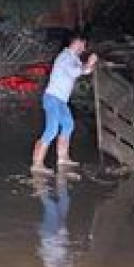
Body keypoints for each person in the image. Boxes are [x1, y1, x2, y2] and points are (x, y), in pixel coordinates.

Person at [32, 35, 98, 173]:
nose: (84, 48)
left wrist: (91, 65)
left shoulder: (74, 58)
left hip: (61, 100)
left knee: (68, 125)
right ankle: (37, 164)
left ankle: (62, 158)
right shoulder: (65, 57)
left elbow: (84, 70)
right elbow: (75, 71)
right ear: (77, 43)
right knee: (51, 130)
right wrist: (89, 63)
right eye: (83, 45)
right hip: (52, 98)